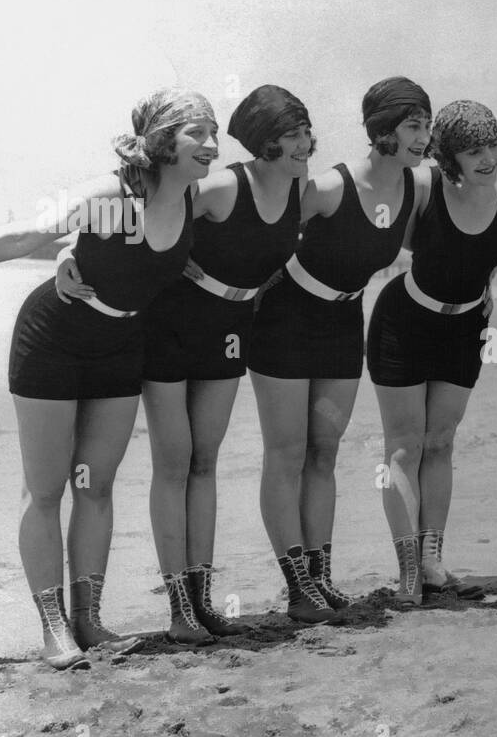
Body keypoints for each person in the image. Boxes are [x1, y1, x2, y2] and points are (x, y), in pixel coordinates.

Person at [0, 87, 214, 669]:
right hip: (53, 341)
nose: (212, 145)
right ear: (165, 141)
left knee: (96, 486)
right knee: (45, 491)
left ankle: (89, 622)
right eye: (199, 133)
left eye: (214, 132)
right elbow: (27, 233)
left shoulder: (195, 197)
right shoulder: (112, 195)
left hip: (120, 347)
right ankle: (53, 629)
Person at [57, 85, 316, 640]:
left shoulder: (300, 189)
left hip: (229, 330)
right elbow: (134, 216)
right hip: (169, 322)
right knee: (174, 464)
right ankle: (178, 610)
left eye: (306, 132)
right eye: (292, 133)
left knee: (206, 462)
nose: (306, 143)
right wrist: (64, 255)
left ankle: (201, 602)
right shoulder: (218, 185)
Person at [249, 77, 434, 612]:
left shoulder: (413, 188)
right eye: (413, 126)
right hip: (285, 320)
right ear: (382, 132)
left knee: (323, 454)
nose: (424, 137)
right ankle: (297, 588)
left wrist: (482, 291)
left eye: (427, 125)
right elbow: (265, 234)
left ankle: (319, 576)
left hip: (343, 323)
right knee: (285, 454)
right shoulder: (330, 187)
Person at [367, 100, 497, 603]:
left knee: (440, 442)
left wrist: (479, 302)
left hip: (464, 330)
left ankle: (433, 560)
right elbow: (392, 239)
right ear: (449, 158)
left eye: (493, 146)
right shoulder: (423, 188)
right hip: (403, 323)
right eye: (472, 151)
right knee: (404, 445)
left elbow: (487, 264)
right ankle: (409, 572)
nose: (487, 158)